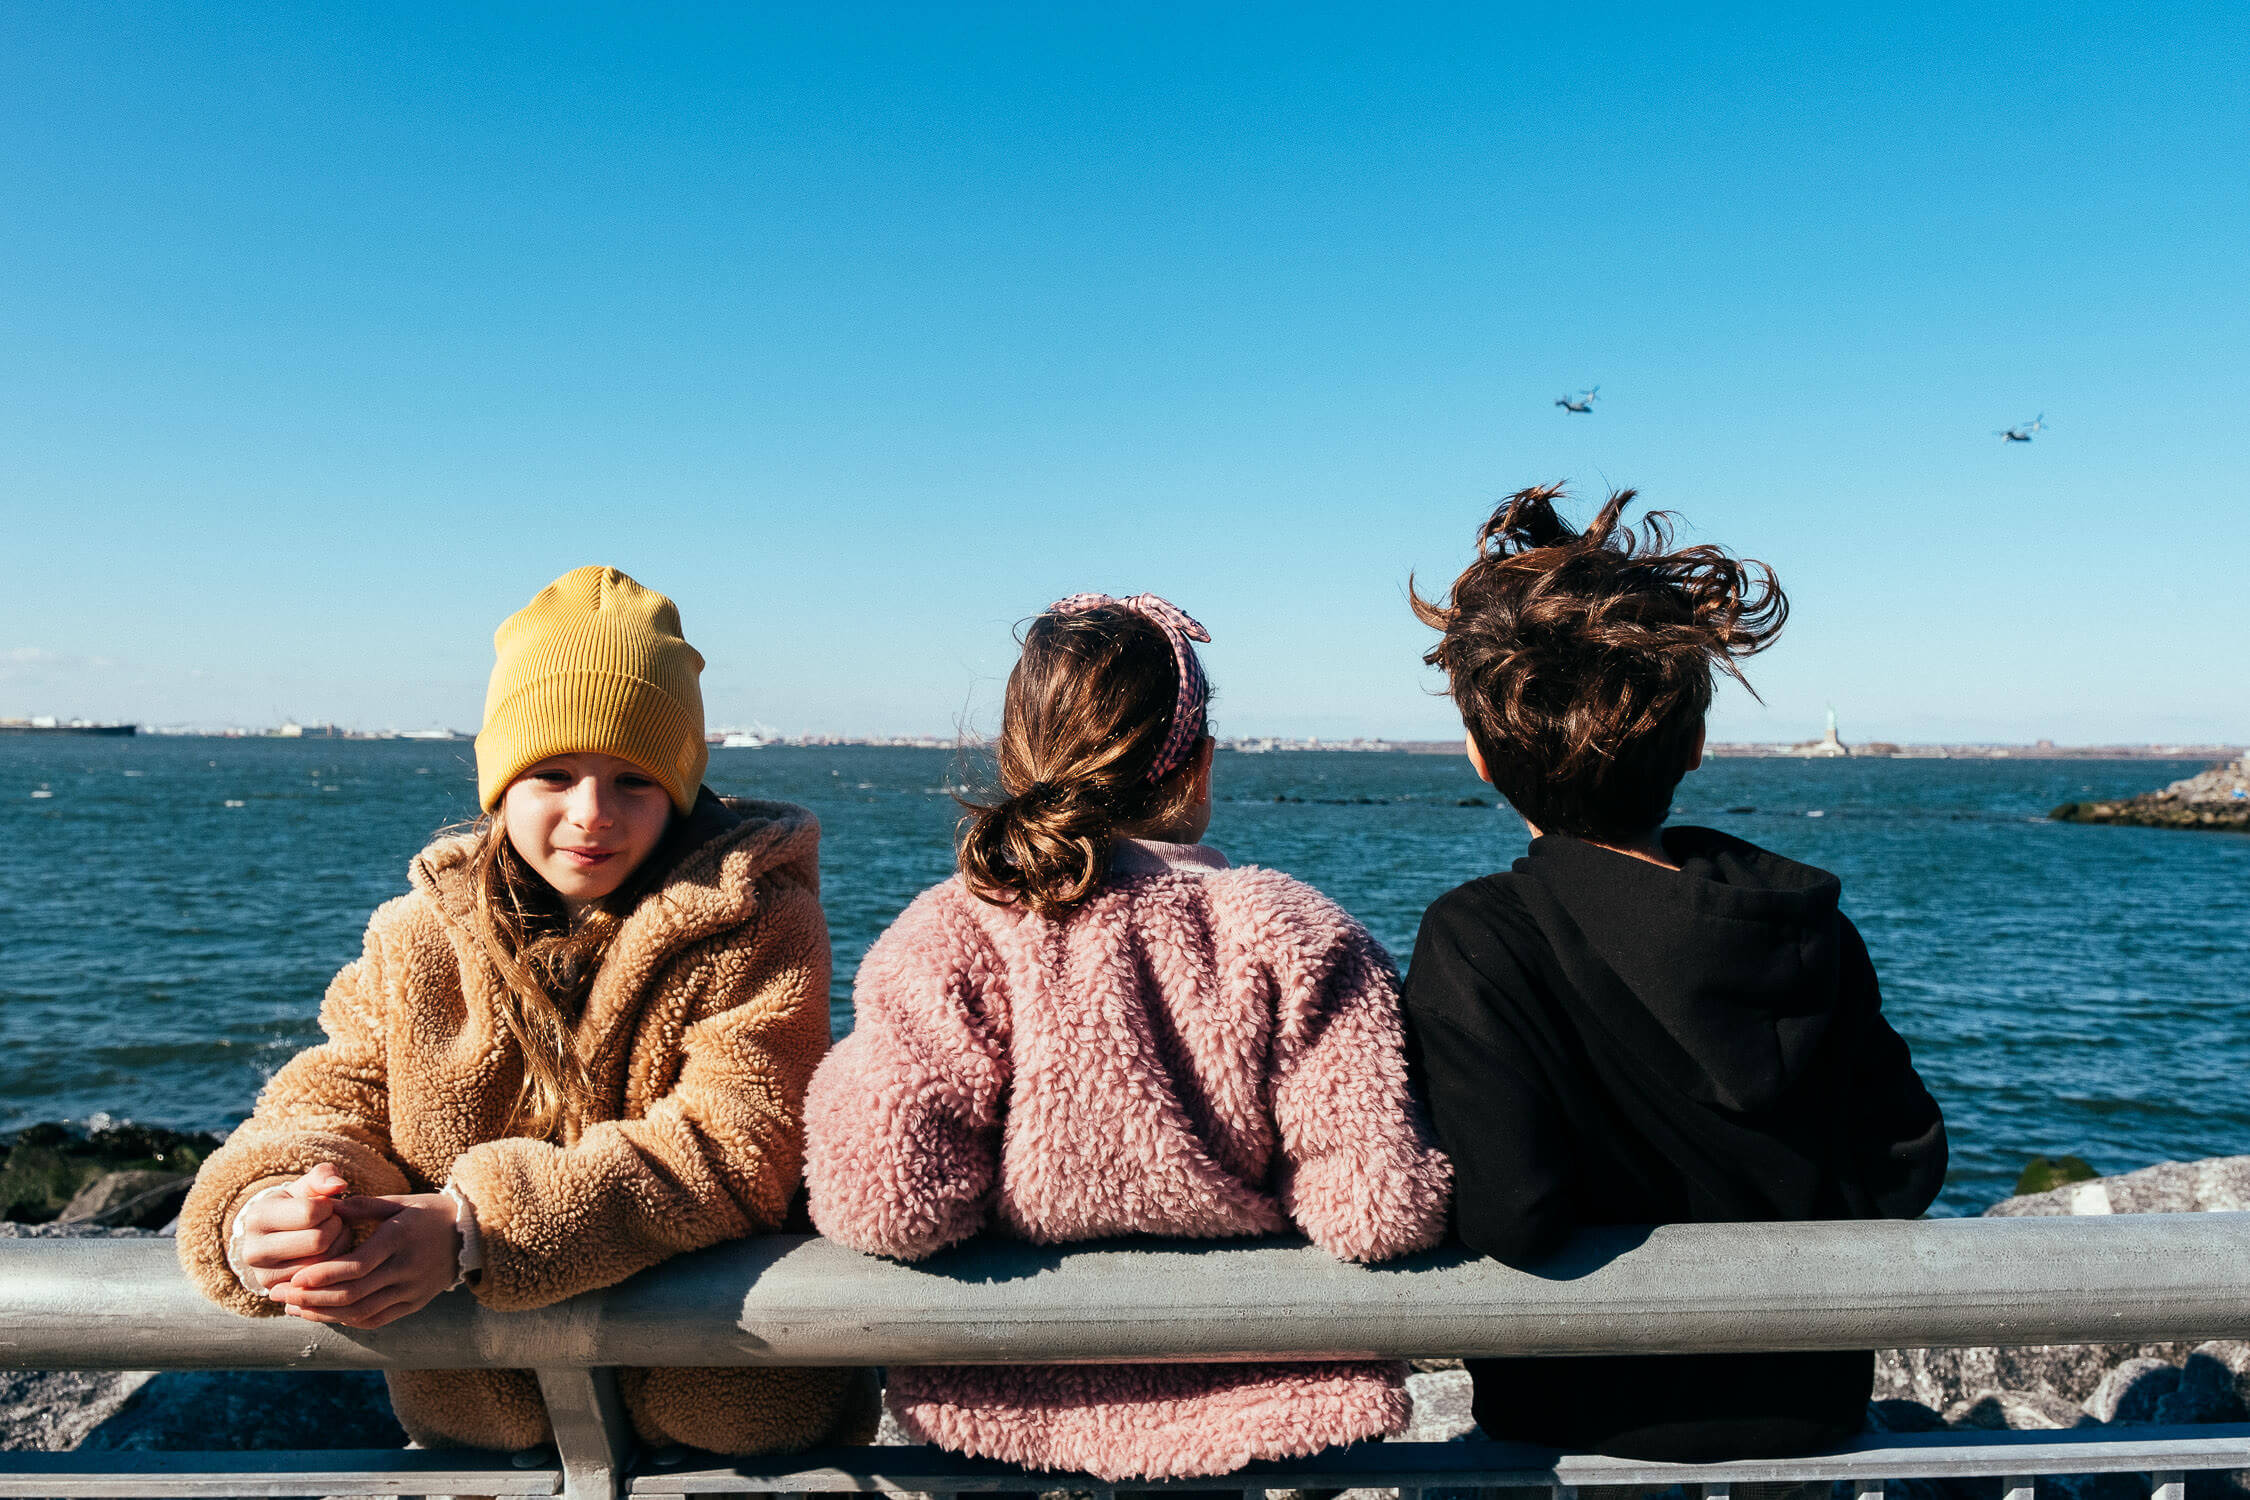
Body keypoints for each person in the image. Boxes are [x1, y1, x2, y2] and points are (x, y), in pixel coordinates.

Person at [177, 565, 872, 1455]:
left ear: (682, 789)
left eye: (634, 780)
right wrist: (272, 1207)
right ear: (499, 784)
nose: (592, 814)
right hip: (485, 1423)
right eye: (552, 773)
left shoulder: (760, 922)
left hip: (725, 1416)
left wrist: (476, 1228)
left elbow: (741, 1143)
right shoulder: (417, 937)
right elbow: (330, 1095)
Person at [804, 593, 1452, 1483]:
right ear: (1199, 766)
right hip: (1275, 1412)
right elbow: (1381, 1210)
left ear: (1012, 758)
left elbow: (879, 1201)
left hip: (1008, 1413)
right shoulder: (1298, 933)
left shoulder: (944, 938)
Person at [1402, 486, 1946, 1462]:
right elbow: (1904, 1165)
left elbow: (1511, 1215)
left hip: (1574, 1430)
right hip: (1803, 1416)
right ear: (1695, 746)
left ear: (1480, 758)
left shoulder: (1479, 938)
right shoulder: (1809, 926)